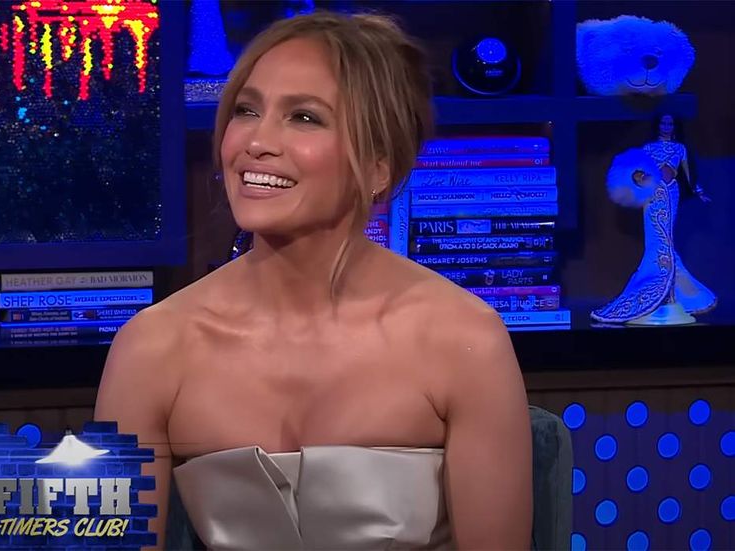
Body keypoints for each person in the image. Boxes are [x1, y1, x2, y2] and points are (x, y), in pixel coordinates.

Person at [95, 10, 532, 549]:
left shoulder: (463, 340)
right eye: (247, 110)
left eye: (304, 118)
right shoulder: (152, 349)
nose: (256, 142)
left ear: (378, 167)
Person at [591, 113, 717, 325]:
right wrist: (641, 178)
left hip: (671, 193)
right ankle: (659, 292)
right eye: (663, 122)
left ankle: (669, 294)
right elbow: (637, 172)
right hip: (652, 195)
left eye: (670, 123)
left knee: (667, 240)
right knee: (656, 241)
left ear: (675, 125)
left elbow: (689, 175)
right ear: (658, 125)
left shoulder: (680, 149)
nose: (666, 126)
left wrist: (699, 191)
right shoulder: (649, 148)